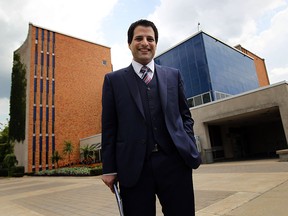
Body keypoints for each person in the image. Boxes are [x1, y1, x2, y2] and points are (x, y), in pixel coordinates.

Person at [101, 19, 201, 216]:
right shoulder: (114, 80)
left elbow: (185, 116)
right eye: (139, 38)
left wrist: (187, 142)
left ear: (156, 43)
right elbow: (109, 127)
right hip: (134, 168)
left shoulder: (173, 76)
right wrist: (109, 168)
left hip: (175, 163)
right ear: (129, 43)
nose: (145, 43)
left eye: (150, 39)